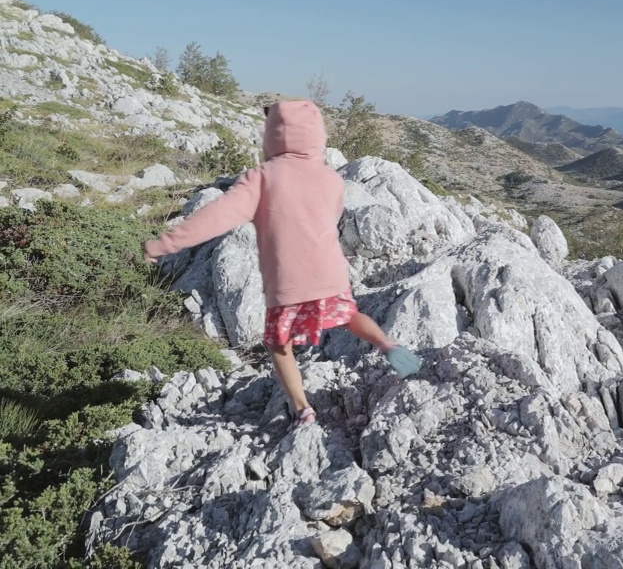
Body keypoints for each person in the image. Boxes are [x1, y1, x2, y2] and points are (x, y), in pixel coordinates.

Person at [144, 100, 420, 427]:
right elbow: (330, 217)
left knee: (279, 345)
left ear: (273, 135)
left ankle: (304, 408)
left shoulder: (262, 177)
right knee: (348, 316)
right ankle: (387, 345)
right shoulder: (330, 178)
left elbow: (215, 218)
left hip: (288, 282)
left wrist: (165, 243)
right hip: (330, 274)